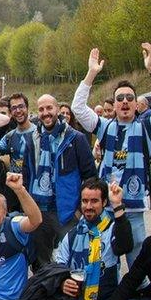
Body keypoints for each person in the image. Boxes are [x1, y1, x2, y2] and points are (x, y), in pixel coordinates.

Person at [71, 44, 151, 266]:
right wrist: (91, 73)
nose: (125, 101)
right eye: (120, 98)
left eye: (129, 97)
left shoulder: (147, 126)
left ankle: (136, 296)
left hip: (134, 209)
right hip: (106, 208)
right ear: (115, 105)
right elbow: (78, 108)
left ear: (137, 105)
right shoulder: (104, 127)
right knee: (106, 264)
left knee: (136, 264)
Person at [34, 178, 133, 300]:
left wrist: (118, 207)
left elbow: (125, 245)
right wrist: (63, 283)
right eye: (85, 201)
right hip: (74, 298)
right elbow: (58, 267)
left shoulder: (112, 227)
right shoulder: (72, 234)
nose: (88, 206)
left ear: (104, 202)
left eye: (94, 201)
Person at [21, 94, 98, 266]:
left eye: (49, 108)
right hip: (39, 210)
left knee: (72, 258)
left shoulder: (76, 138)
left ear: (57, 109)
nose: (45, 113)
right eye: (41, 109)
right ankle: (44, 290)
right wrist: (28, 206)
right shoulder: (31, 139)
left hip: (67, 211)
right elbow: (27, 175)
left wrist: (80, 209)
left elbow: (90, 175)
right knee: (41, 260)